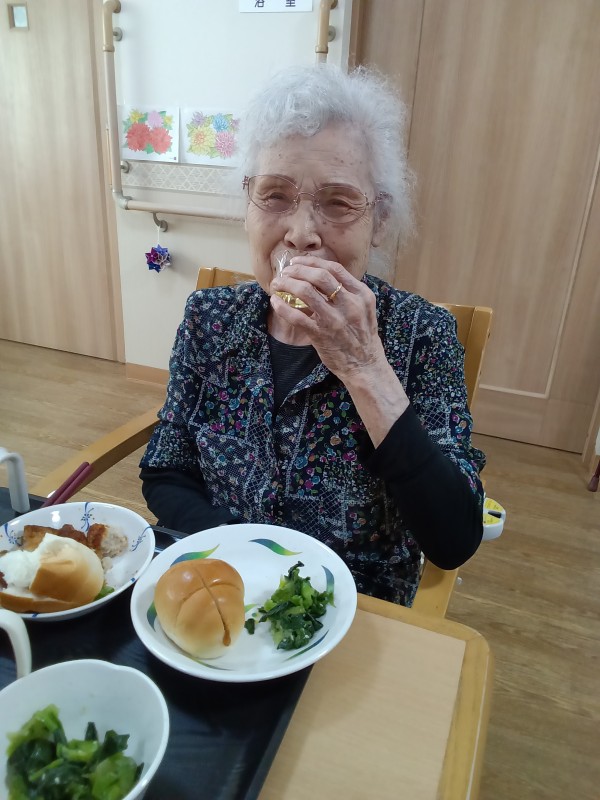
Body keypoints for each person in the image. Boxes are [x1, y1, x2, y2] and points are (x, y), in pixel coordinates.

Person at [139, 64, 486, 606]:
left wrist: (365, 368)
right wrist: (243, 559)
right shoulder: (209, 318)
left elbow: (453, 539)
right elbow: (167, 470)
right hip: (226, 589)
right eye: (275, 195)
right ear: (247, 208)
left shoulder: (423, 335)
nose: (301, 234)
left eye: (339, 202)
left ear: (379, 222)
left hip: (358, 614)